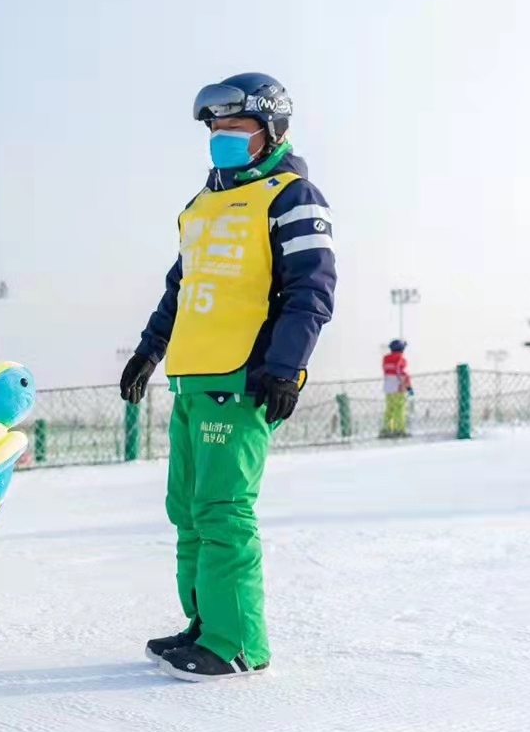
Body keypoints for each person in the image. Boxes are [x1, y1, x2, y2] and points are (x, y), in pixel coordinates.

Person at [119, 72, 337, 681]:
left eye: (235, 128)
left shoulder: (293, 196)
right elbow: (180, 287)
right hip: (192, 376)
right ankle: (202, 625)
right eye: (215, 129)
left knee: (222, 510)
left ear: (271, 131)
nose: (222, 138)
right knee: (186, 511)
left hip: (241, 376)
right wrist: (148, 351)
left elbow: (310, 291)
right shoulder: (200, 204)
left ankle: (236, 641)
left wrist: (287, 368)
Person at [382, 340, 414, 438]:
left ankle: (386, 429)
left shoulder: (385, 359)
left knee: (389, 409)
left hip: (388, 387)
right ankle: (399, 430)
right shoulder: (400, 359)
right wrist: (408, 386)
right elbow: (402, 373)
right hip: (398, 387)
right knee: (399, 410)